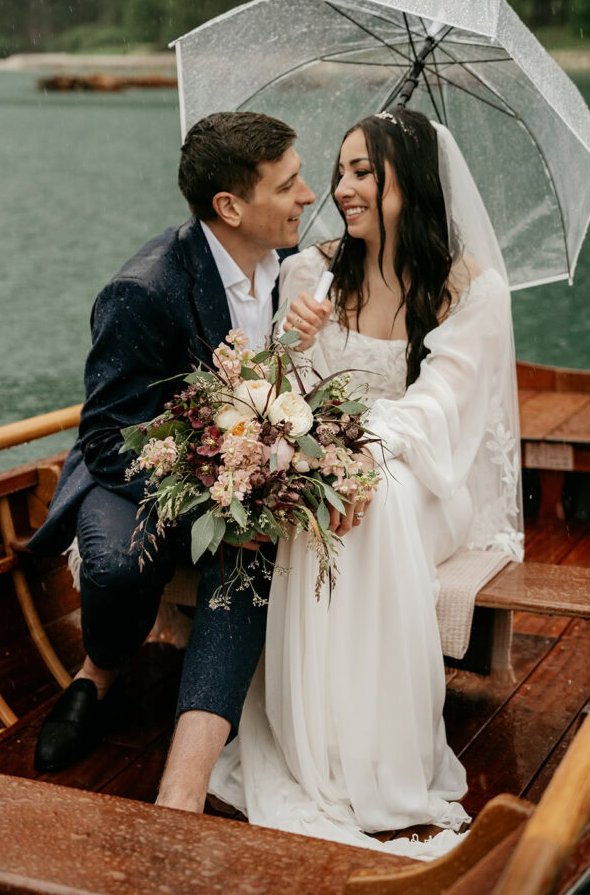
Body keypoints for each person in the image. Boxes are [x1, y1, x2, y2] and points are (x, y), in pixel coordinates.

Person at [208, 108, 523, 858]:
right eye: (340, 170)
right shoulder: (311, 272)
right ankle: (317, 740)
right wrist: (293, 341)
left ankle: (380, 759)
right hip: (331, 461)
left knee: (368, 505)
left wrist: (361, 459)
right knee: (324, 501)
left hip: (426, 478)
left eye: (360, 172)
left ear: (406, 185)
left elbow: (439, 407)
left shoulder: (471, 292)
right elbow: (281, 398)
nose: (339, 187)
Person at [27, 110, 320, 812]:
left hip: (245, 470)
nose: (308, 196)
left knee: (248, 553)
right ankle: (97, 672)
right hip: (134, 471)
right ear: (229, 206)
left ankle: (181, 785)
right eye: (287, 186)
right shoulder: (145, 290)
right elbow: (103, 436)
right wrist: (215, 499)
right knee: (119, 564)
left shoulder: (295, 271)